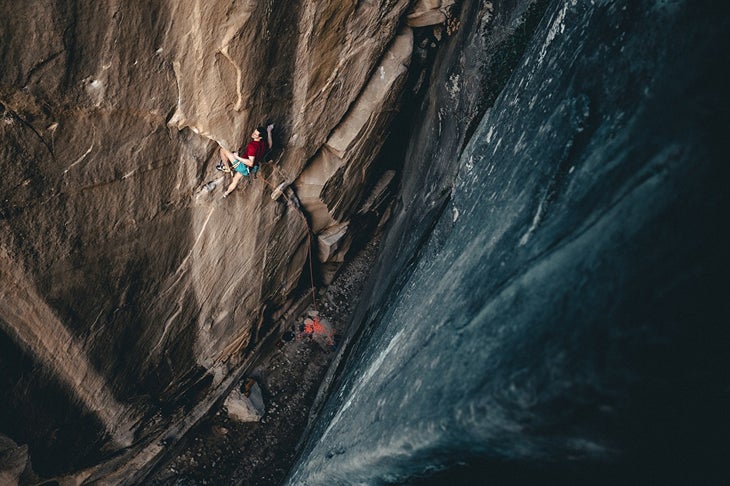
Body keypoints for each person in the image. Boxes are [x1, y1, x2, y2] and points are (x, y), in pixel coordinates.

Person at [218, 124, 274, 198]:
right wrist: (269, 131)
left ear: (260, 137)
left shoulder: (252, 146)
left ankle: (227, 167)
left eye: (255, 134)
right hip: (249, 169)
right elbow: (270, 145)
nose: (253, 134)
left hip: (243, 166)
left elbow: (250, 163)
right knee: (235, 179)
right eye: (254, 132)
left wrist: (237, 157)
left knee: (222, 150)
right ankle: (226, 194)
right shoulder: (263, 143)